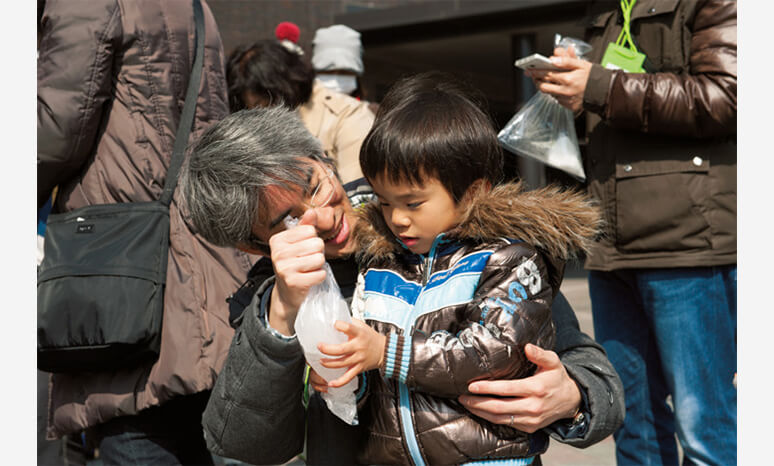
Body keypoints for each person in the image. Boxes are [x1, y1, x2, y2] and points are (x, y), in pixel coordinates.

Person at [180, 104, 624, 465]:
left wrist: (573, 397)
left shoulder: (439, 222)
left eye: (315, 187)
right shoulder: (275, 297)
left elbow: (592, 373)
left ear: (324, 159)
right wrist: (280, 314)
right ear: (257, 246)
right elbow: (244, 443)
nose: (323, 217)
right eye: (287, 221)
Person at [299, 72, 601, 464]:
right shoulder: (381, 266)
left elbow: (491, 353)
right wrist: (347, 379)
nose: (397, 220)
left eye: (412, 203)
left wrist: (384, 352)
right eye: (385, 203)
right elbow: (377, 380)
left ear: (473, 193)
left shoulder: (508, 260)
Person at [37, 0, 256, 463]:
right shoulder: (196, 7)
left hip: (122, 272)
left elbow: (53, 130)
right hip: (205, 260)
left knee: (137, 427)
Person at [526, 1, 737, 464]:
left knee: (705, 429)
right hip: (611, 243)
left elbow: (727, 96)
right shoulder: (607, 11)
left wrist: (598, 85)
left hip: (687, 244)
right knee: (633, 426)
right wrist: (570, 91)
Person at [226, 38, 374, 184]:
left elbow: (361, 198)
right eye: (253, 109)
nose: (262, 117)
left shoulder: (347, 116)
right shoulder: (251, 135)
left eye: (265, 105)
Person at [311, 24, 379, 115]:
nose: (336, 79)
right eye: (328, 71)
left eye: (344, 72)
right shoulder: (299, 112)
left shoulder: (372, 114)